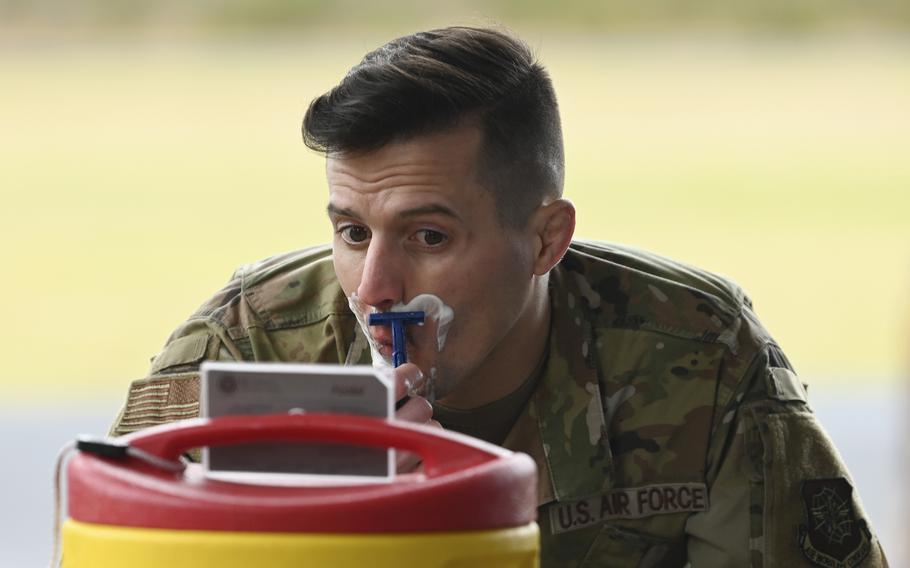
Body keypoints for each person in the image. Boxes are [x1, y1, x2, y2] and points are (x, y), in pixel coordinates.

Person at [109, 26, 887, 567]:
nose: (374, 288)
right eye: (351, 233)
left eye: (430, 237)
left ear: (546, 239)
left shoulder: (694, 352)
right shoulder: (245, 351)